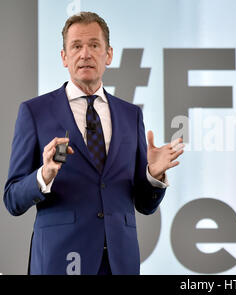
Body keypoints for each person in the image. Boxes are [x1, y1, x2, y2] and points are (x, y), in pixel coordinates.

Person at [3, 11, 183, 275]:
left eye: (94, 46)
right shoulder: (35, 112)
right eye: (76, 46)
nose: (85, 54)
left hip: (119, 263)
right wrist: (44, 175)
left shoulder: (130, 115)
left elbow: (145, 205)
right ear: (64, 57)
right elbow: (12, 200)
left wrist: (153, 176)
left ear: (108, 55)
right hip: (59, 260)